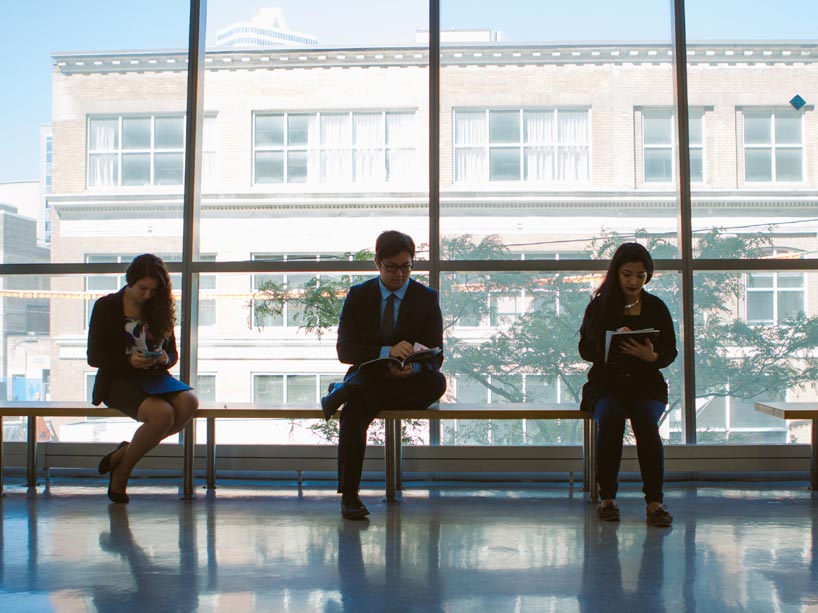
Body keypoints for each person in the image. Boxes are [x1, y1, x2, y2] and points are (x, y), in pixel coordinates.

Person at [321, 231, 446, 519]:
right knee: (355, 413)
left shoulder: (426, 298)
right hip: (371, 374)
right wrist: (386, 351)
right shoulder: (359, 295)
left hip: (409, 381)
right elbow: (345, 350)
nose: (400, 273)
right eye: (392, 266)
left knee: (437, 383)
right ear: (377, 263)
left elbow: (436, 355)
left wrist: (412, 367)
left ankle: (345, 390)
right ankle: (350, 496)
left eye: (407, 266)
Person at [578, 242, 677, 527]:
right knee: (611, 418)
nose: (634, 281)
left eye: (640, 275)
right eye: (627, 274)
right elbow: (584, 350)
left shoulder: (656, 306)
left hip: (646, 383)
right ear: (616, 274)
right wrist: (608, 346)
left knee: (646, 421)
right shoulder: (599, 306)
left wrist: (652, 356)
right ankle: (608, 497)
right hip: (607, 382)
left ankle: (655, 502)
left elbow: (670, 351)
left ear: (648, 276)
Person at [87, 254, 198, 503]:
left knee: (189, 403)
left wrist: (161, 358)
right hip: (117, 378)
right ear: (130, 281)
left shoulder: (158, 307)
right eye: (142, 288)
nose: (146, 295)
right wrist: (128, 360)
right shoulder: (106, 306)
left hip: (154, 376)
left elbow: (172, 355)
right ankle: (121, 476)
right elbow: (94, 356)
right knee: (162, 415)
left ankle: (121, 455)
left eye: (153, 290)